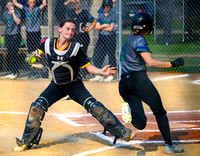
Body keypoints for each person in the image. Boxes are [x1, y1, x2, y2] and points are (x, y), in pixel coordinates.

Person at [14, 18, 135, 152]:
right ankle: (25, 141)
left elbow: (89, 68)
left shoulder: (76, 48)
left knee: (96, 108)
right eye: (67, 28)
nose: (70, 32)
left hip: (74, 86)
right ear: (60, 29)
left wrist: (101, 71)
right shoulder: (47, 44)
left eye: (73, 30)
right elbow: (35, 55)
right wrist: (32, 58)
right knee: (36, 108)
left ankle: (122, 132)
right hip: (56, 85)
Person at [119, 12, 185, 154]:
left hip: (124, 83)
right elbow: (150, 62)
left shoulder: (128, 39)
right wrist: (172, 64)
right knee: (160, 112)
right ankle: (169, 146)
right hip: (138, 81)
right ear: (146, 26)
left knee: (141, 123)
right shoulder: (140, 40)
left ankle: (129, 110)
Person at [13, 0, 47, 78]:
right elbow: (15, 3)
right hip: (29, 33)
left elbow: (44, 4)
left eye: (34, 2)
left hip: (36, 33)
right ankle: (33, 70)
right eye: (31, 2)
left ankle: (38, 71)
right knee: (30, 51)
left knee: (36, 51)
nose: (32, 4)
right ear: (28, 3)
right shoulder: (26, 9)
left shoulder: (37, 9)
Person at [64, 0, 97, 80]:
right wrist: (70, 1)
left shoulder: (85, 12)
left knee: (82, 54)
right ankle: (74, 72)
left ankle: (83, 73)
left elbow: (94, 20)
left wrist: (89, 29)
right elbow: (63, 6)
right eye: (74, 3)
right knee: (73, 54)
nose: (76, 4)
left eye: (77, 3)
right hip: (74, 38)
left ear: (80, 3)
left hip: (83, 37)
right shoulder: (71, 12)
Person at [89, 0, 116, 82]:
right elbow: (97, 28)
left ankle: (111, 75)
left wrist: (101, 27)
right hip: (102, 38)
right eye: (105, 6)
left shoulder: (113, 16)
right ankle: (99, 74)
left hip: (110, 38)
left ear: (110, 7)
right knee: (97, 55)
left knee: (111, 56)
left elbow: (111, 28)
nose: (106, 8)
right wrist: (104, 25)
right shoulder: (100, 15)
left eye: (108, 6)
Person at [1, 0, 22, 79]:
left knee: (14, 53)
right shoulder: (5, 13)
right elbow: (2, 23)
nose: (11, 6)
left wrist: (13, 13)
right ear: (7, 6)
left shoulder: (17, 12)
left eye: (12, 5)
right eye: (9, 5)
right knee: (10, 54)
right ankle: (13, 72)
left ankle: (16, 72)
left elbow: (18, 22)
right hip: (8, 35)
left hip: (15, 35)